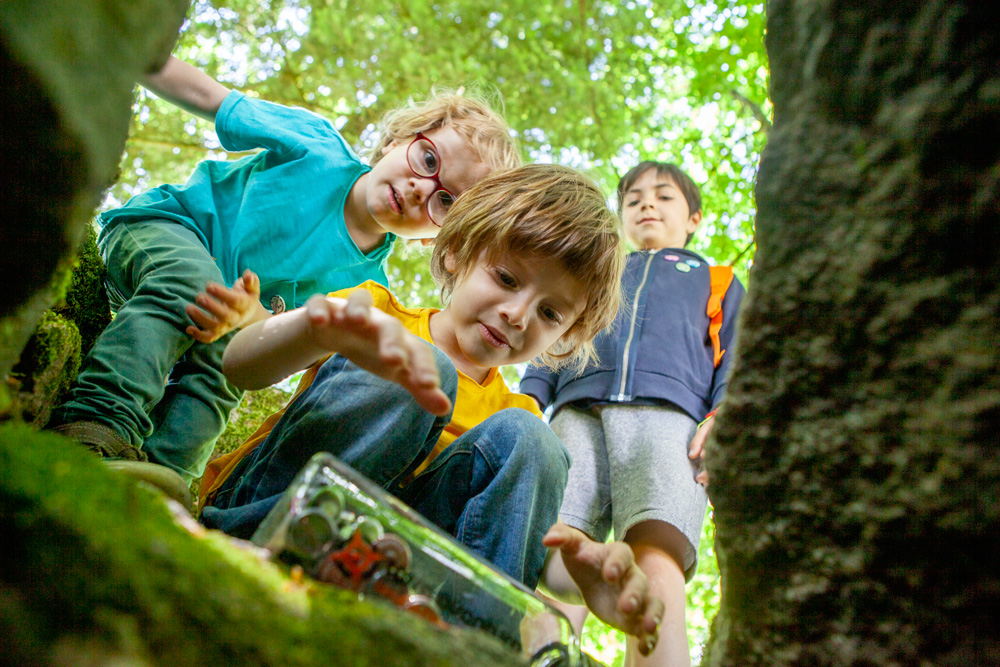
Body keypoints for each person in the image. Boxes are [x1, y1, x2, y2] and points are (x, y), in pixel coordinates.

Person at [196, 164, 661, 654]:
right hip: (278, 515)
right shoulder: (374, 313)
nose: (518, 314)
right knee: (423, 369)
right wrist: (315, 330)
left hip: (397, 587)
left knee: (534, 440)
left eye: (550, 313)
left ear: (564, 335)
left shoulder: (515, 421)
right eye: (506, 277)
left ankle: (472, 649)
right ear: (459, 252)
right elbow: (240, 365)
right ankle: (260, 547)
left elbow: (539, 541)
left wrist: (584, 578)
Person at [48, 55, 520, 484]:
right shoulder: (318, 148)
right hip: (163, 231)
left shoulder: (368, 292)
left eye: (445, 201)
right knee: (191, 285)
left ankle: (161, 476)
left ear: (436, 236)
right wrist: (127, 49)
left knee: (224, 369)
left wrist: (251, 319)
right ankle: (97, 423)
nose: (422, 189)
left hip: (220, 323)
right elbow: (210, 97)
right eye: (428, 159)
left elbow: (273, 351)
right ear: (399, 140)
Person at [520, 161, 746, 666]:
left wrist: (724, 412)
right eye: (634, 198)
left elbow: (739, 351)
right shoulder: (597, 272)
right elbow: (554, 334)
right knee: (558, 545)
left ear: (694, 218)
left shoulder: (717, 280)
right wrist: (530, 399)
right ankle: (540, 657)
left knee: (656, 551)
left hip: (672, 419)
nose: (647, 203)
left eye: (664, 196)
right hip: (575, 409)